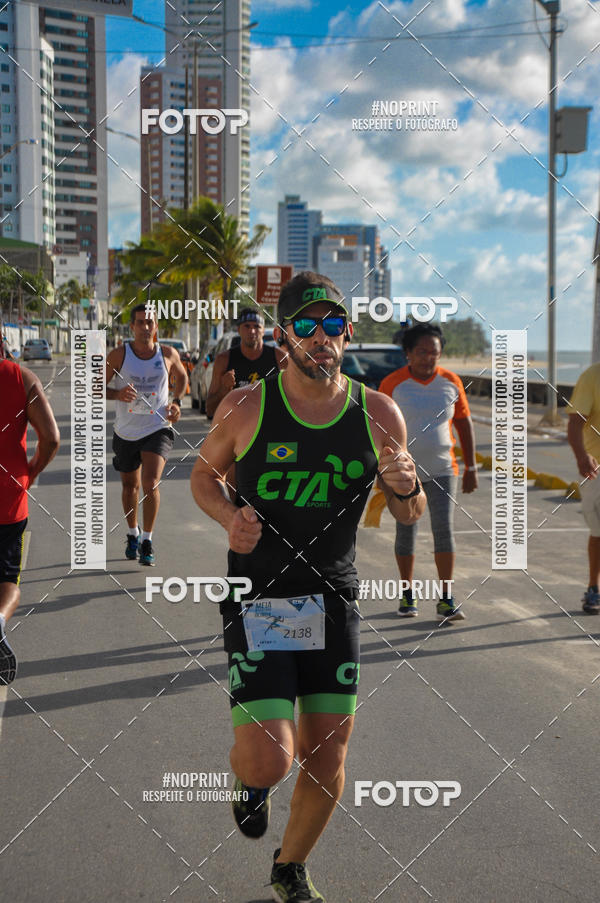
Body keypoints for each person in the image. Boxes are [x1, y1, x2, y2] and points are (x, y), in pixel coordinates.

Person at [191, 271, 425, 902]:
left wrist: (405, 487)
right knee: (272, 758)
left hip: (334, 598)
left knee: (329, 751)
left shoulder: (377, 412)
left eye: (332, 327)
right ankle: (252, 780)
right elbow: (203, 477)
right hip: (261, 595)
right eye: (306, 327)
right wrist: (227, 519)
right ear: (282, 336)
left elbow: (409, 513)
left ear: (347, 334)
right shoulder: (246, 406)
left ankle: (289, 866)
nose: (321, 339)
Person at [379, 322, 478, 621]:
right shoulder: (392, 384)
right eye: (421, 352)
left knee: (443, 530)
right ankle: (407, 594)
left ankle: (446, 598)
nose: (428, 358)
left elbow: (464, 423)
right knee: (406, 530)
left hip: (444, 469)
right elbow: (378, 427)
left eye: (433, 352)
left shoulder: (451, 382)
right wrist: (379, 469)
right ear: (408, 353)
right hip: (404, 472)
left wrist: (472, 466)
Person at [106, 303, 187, 566]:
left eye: (150, 322)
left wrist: (177, 403)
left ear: (156, 326)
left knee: (151, 483)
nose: (145, 327)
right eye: (140, 322)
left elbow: (183, 378)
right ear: (132, 327)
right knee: (131, 486)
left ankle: (148, 540)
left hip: (157, 428)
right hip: (126, 431)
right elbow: (94, 386)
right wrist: (117, 394)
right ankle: (133, 533)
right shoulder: (119, 355)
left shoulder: (167, 353)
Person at [0, 329, 60, 684]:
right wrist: (30, 472)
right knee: (8, 579)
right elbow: (51, 438)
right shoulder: (22, 377)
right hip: (9, 500)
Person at [205, 307, 286, 418]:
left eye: (257, 326)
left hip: (268, 428)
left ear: (263, 330)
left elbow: (301, 396)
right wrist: (223, 390)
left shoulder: (279, 357)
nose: (252, 331)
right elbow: (209, 410)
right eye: (247, 326)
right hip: (236, 429)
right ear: (239, 330)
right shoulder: (224, 360)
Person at [567, 362, 600, 613]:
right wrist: (581, 455)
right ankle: (593, 587)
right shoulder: (592, 376)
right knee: (599, 532)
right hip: (597, 468)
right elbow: (575, 422)